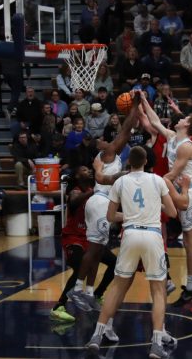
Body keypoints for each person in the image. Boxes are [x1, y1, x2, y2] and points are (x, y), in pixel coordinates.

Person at [84, 147, 179, 358]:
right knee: (158, 290)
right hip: (153, 235)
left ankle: (97, 336)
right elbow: (172, 212)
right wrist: (155, 207)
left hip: (130, 234)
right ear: (145, 161)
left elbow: (110, 216)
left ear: (129, 163)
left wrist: (129, 214)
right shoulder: (157, 180)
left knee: (117, 287)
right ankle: (156, 343)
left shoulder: (120, 182)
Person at [67, 93, 142, 312]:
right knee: (94, 249)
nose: (106, 139)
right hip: (100, 202)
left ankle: (89, 292)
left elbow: (126, 132)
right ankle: (77, 289)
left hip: (98, 203)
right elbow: (126, 131)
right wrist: (134, 107)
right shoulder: (108, 152)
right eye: (102, 139)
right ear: (101, 145)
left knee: (98, 251)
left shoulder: (104, 158)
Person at [140, 94, 192, 313]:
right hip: (185, 192)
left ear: (188, 124)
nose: (179, 118)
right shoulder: (173, 136)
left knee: (191, 243)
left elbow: (173, 173)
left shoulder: (187, 147)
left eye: (184, 118)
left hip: (190, 194)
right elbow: (154, 121)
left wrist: (156, 185)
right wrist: (143, 99)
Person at [49, 165, 117, 324]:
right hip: (73, 238)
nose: (89, 171)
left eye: (89, 169)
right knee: (80, 267)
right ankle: (59, 307)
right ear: (77, 176)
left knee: (115, 263)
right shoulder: (76, 192)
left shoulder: (96, 190)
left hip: (90, 239)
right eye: (84, 170)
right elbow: (73, 201)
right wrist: (93, 192)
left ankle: (97, 295)